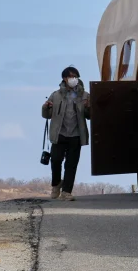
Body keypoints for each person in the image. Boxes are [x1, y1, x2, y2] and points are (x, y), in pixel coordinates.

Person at [41, 66, 91, 201]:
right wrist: (45, 107)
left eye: (76, 77)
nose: (73, 79)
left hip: (76, 134)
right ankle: (56, 184)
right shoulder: (56, 95)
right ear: (64, 78)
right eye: (71, 77)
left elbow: (90, 115)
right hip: (59, 133)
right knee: (55, 160)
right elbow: (47, 115)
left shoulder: (85, 95)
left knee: (71, 163)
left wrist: (88, 107)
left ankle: (66, 192)